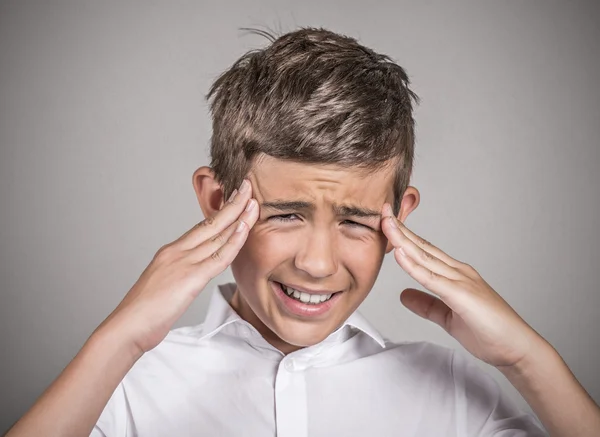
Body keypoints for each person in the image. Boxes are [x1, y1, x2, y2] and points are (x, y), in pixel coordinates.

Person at [5, 27, 600, 437]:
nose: (318, 263)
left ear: (401, 217)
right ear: (217, 202)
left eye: (356, 222)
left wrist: (529, 359)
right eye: (286, 214)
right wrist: (121, 339)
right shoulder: (127, 388)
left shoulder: (448, 391)